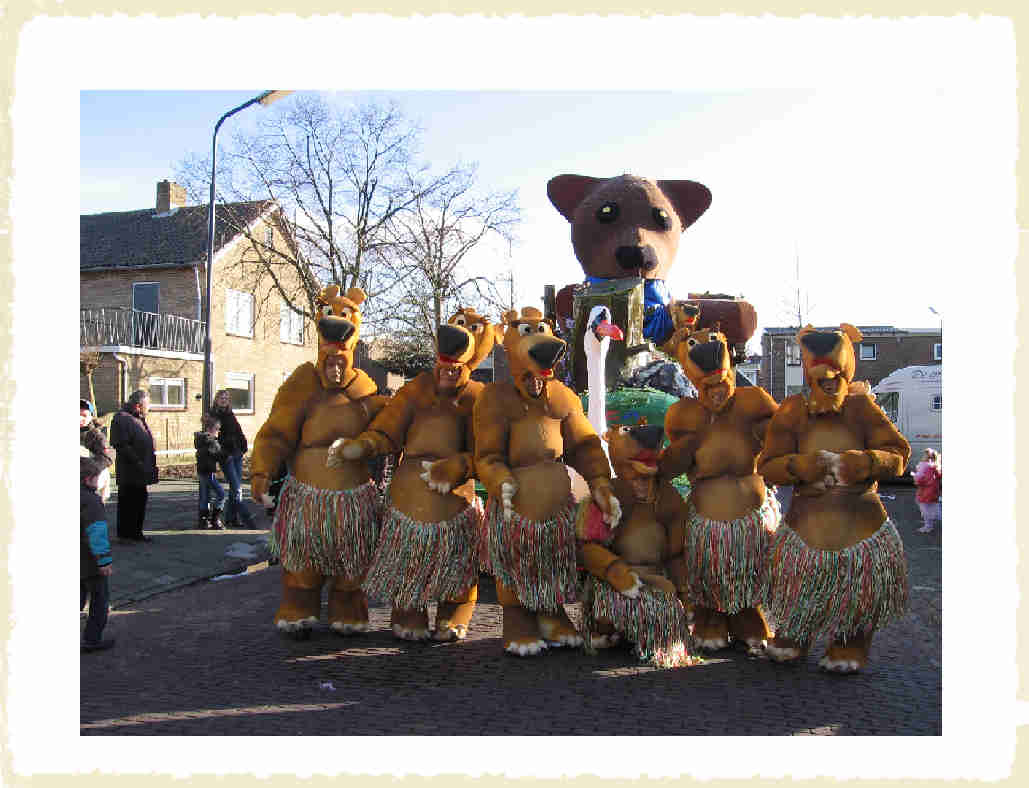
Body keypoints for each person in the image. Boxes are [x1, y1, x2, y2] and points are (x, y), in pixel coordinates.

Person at [109, 389, 158, 543]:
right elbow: (121, 445)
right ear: (138, 406)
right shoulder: (121, 419)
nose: (149, 408)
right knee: (128, 503)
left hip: (141, 470)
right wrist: (137, 462)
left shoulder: (138, 419)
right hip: (129, 471)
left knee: (139, 501)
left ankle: (136, 533)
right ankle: (125, 535)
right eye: (147, 405)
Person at [81, 451, 115, 652]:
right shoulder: (92, 502)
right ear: (88, 479)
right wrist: (104, 561)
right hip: (90, 561)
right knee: (100, 600)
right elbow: (97, 534)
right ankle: (92, 639)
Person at [210, 389, 256, 528]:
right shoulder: (214, 415)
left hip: (237, 454)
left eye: (226, 398)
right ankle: (245, 518)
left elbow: (238, 431)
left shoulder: (230, 414)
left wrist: (243, 447)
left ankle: (231, 517)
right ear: (217, 400)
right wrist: (224, 454)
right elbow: (214, 438)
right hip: (226, 456)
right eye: (221, 398)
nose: (224, 400)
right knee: (236, 488)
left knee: (235, 487)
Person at [194, 414, 227, 530]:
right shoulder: (210, 441)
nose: (218, 432)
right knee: (221, 494)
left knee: (205, 497)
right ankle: (215, 519)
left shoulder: (201, 439)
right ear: (210, 429)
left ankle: (204, 520)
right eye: (217, 429)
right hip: (207, 472)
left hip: (202, 471)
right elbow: (220, 455)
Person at [80, 399, 113, 502]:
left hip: (91, 482)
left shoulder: (96, 435)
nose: (80, 418)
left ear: (91, 417)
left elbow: (107, 458)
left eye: (84, 415)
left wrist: (86, 469)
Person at [913, 448, 942, 534]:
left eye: (924, 455)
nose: (922, 457)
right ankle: (929, 524)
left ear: (928, 458)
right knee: (933, 507)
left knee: (926, 510)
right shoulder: (935, 467)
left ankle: (928, 526)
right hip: (933, 492)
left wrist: (916, 477)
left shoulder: (925, 467)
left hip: (925, 492)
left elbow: (921, 480)